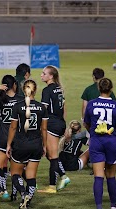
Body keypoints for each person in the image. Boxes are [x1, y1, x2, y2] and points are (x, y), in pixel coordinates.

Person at [84, 78, 116, 209]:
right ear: (111, 89)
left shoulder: (92, 104)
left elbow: (86, 123)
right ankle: (113, 206)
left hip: (96, 141)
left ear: (99, 88)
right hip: (111, 142)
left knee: (98, 176)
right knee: (111, 175)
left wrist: (93, 132)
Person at [6, 79, 48, 209]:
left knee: (15, 174)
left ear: (24, 90)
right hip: (36, 144)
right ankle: (27, 201)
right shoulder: (42, 107)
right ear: (35, 90)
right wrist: (44, 146)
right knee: (31, 177)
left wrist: (8, 145)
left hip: (21, 144)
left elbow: (13, 128)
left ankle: (23, 194)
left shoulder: (18, 106)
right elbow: (44, 130)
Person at [39, 65, 70, 193]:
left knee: (52, 156)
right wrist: (63, 125)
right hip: (59, 123)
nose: (41, 75)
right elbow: (64, 108)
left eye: (44, 73)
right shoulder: (60, 89)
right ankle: (63, 176)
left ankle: (52, 187)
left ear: (51, 76)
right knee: (50, 154)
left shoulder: (47, 91)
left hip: (51, 124)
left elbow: (43, 110)